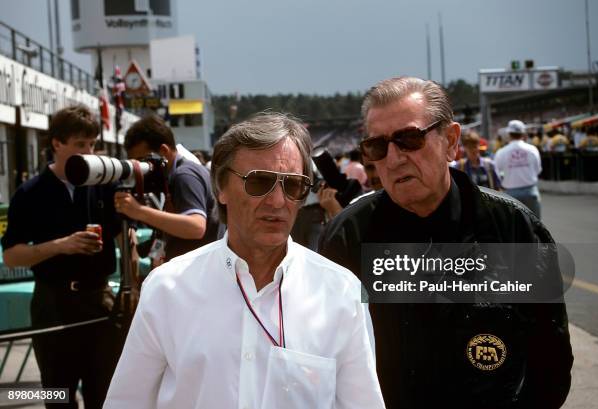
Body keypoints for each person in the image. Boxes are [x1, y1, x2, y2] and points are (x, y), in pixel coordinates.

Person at [318, 77, 573, 409]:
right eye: (378, 147)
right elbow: (325, 363)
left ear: (451, 141)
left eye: (409, 139)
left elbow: (550, 362)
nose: (393, 159)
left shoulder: (513, 230)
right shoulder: (346, 238)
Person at [104, 112, 385, 408]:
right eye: (259, 181)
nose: (278, 201)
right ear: (221, 188)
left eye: (292, 185)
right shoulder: (167, 288)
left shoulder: (341, 292)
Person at [2, 105, 122, 408]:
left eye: (93, 144)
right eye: (80, 144)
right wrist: (60, 245)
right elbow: (12, 256)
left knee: (104, 394)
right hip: (52, 303)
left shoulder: (103, 184)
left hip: (99, 299)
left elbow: (125, 238)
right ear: (57, 143)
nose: (89, 151)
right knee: (57, 395)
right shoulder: (30, 193)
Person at [113, 115, 219, 264]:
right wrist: (155, 259)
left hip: (196, 275)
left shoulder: (185, 175)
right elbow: (167, 232)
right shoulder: (171, 177)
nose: (141, 169)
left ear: (163, 150)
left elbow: (196, 227)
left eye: (143, 161)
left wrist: (139, 211)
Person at [494, 119, 543, 218]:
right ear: (523, 133)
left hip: (511, 194)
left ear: (509, 134)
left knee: (514, 228)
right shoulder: (532, 149)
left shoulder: (501, 152)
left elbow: (497, 173)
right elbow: (538, 170)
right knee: (536, 227)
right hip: (530, 192)